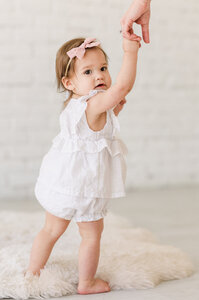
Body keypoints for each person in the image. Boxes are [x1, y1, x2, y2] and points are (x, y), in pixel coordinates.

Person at [26, 36, 140, 295]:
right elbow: (122, 88)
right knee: (91, 235)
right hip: (86, 186)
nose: (99, 76)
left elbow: (92, 134)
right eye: (88, 71)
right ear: (69, 82)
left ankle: (32, 272)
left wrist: (113, 114)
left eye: (103, 68)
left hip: (63, 182)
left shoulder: (75, 104)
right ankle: (86, 283)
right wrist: (130, 51)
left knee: (51, 229)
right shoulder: (94, 103)